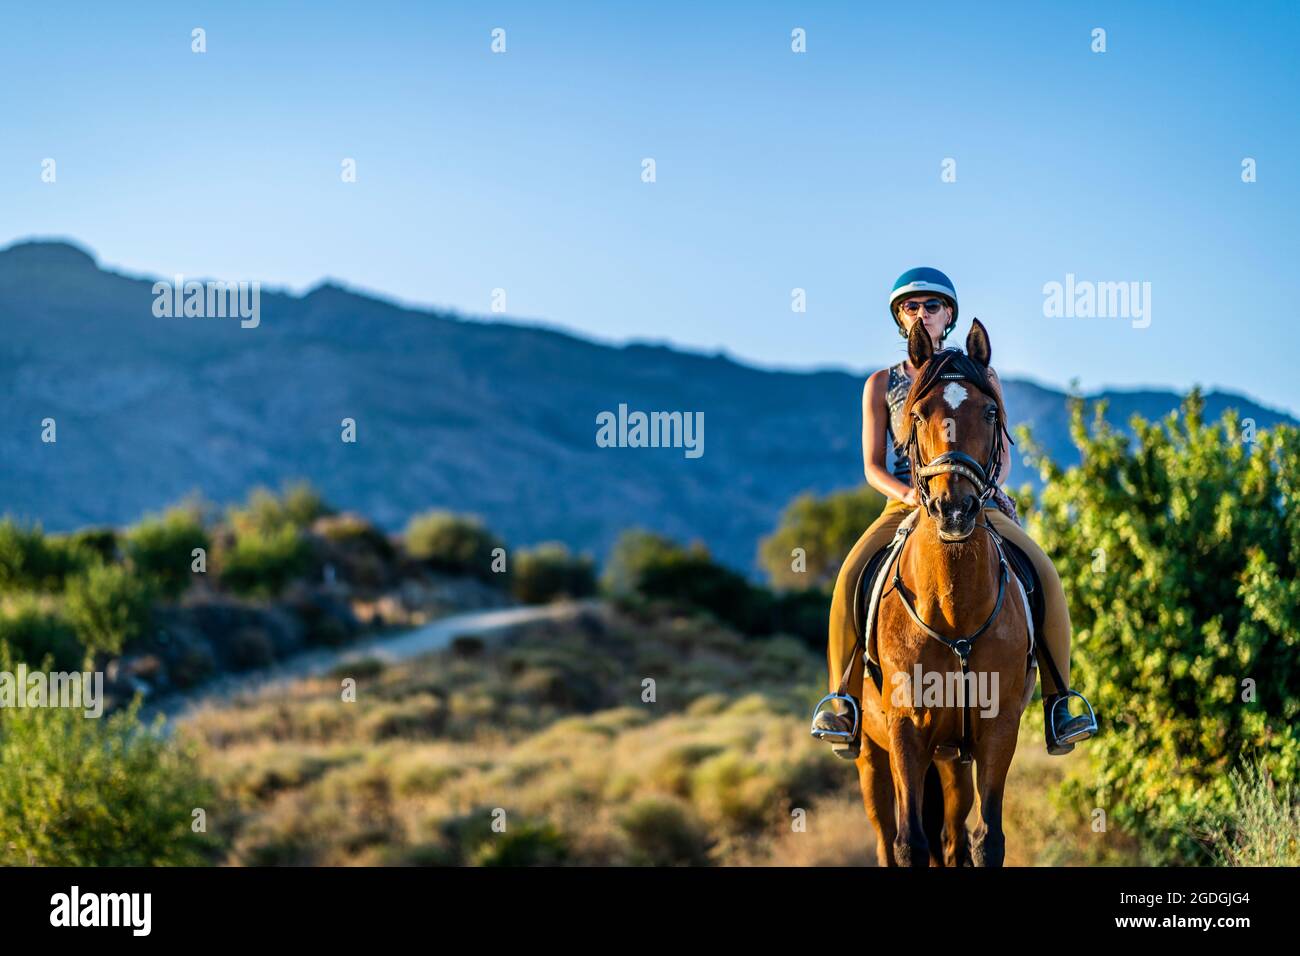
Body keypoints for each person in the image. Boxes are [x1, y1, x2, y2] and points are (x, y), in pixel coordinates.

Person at [812, 267, 1097, 757]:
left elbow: (1002, 456)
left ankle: (1060, 703)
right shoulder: (881, 384)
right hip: (904, 503)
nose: (921, 314)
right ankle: (842, 702)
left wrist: (983, 489)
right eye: (911, 307)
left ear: (949, 314)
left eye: (931, 306)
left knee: (1045, 572)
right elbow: (873, 467)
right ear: (900, 318)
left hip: (974, 498)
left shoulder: (982, 377)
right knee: (849, 579)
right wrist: (908, 498)